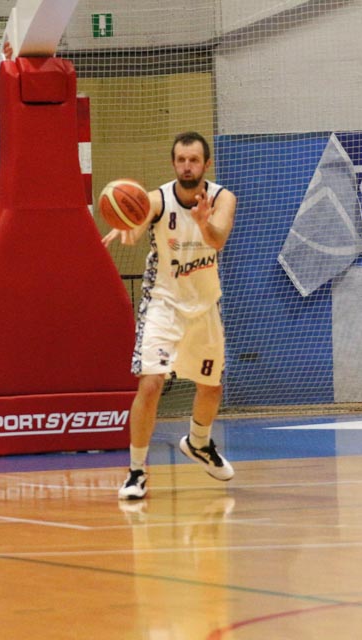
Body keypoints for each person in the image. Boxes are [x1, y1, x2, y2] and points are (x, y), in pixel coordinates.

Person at [103, 131, 237, 500]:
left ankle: (198, 442)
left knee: (211, 387)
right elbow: (137, 221)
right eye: (181, 160)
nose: (187, 166)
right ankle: (136, 471)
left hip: (204, 306)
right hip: (163, 303)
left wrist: (204, 221)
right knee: (151, 382)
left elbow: (218, 239)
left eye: (193, 160)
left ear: (206, 164)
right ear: (173, 163)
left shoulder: (223, 198)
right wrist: (127, 224)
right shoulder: (156, 199)